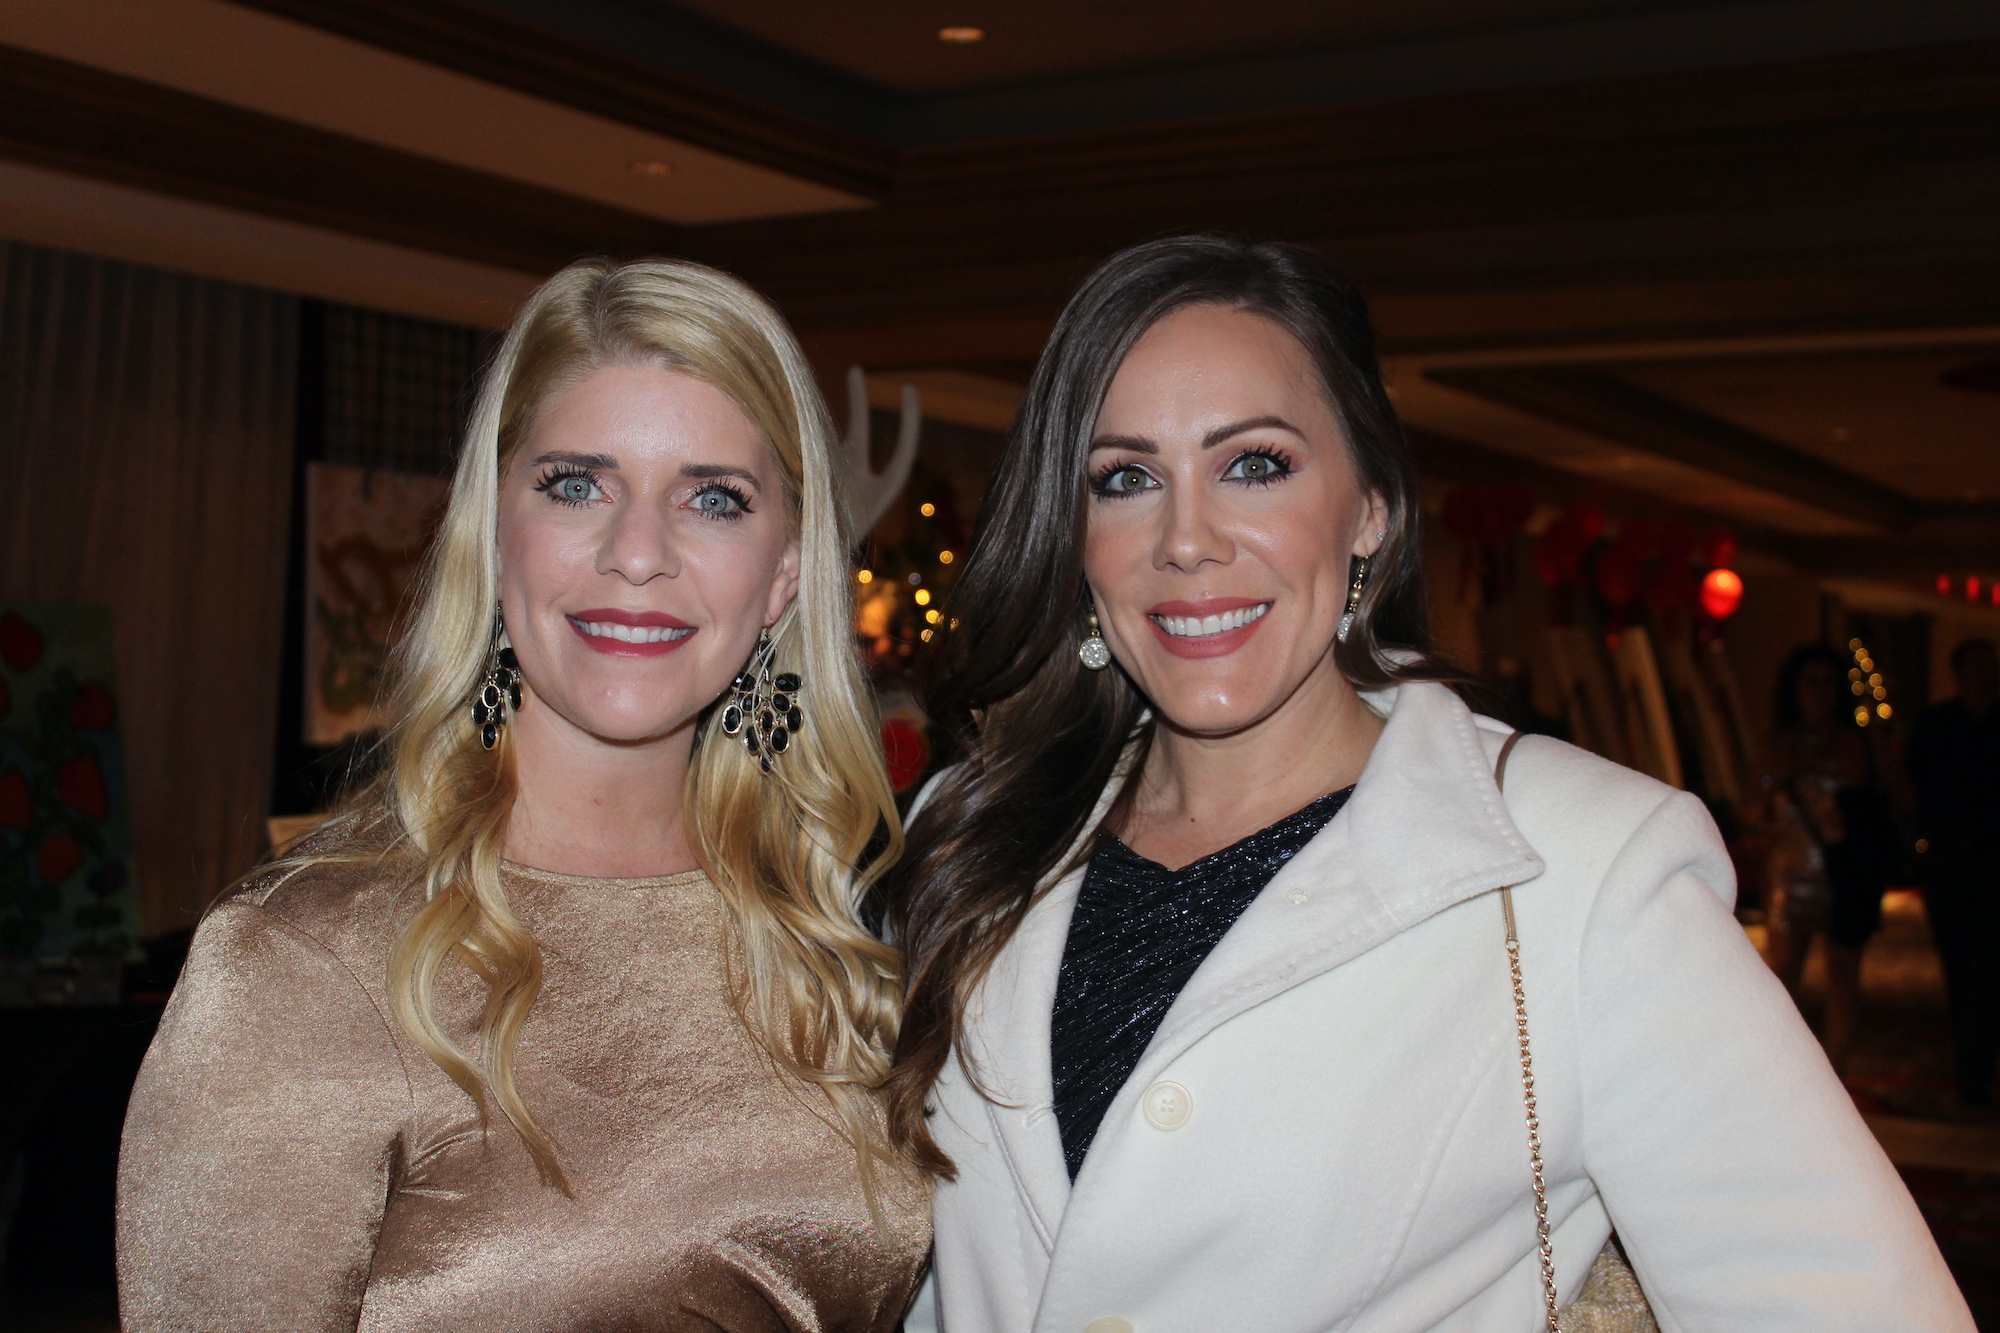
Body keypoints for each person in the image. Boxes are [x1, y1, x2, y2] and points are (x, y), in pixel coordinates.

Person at [886, 236, 1966, 1332]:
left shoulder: (1582, 867)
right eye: (1125, 479)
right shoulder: (975, 835)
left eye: (1253, 465)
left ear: (1370, 507)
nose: (1186, 540)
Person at [116, 259, 928, 1330]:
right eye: (577, 485)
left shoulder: (830, 936)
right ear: (495, 532)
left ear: (783, 571)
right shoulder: (304, 962)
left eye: (713, 499)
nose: (637, 553)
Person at [1760, 642, 1903, 1074]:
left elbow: (1896, 792)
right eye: (1811, 682)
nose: (1821, 692)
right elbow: (1754, 804)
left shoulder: (1860, 741)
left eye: (1828, 682)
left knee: (1843, 974)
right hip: (1793, 873)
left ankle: (1833, 1073)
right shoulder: (1780, 743)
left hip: (1847, 874)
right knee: (1782, 973)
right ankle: (1779, 1068)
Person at [1911, 637, 2000, 1106]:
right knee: (1959, 961)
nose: (1986, 676)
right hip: (1949, 861)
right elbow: (1917, 783)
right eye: (1977, 668)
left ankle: (1975, 1069)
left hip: (1994, 862)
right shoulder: (1937, 725)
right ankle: (1970, 1057)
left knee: (1987, 961)